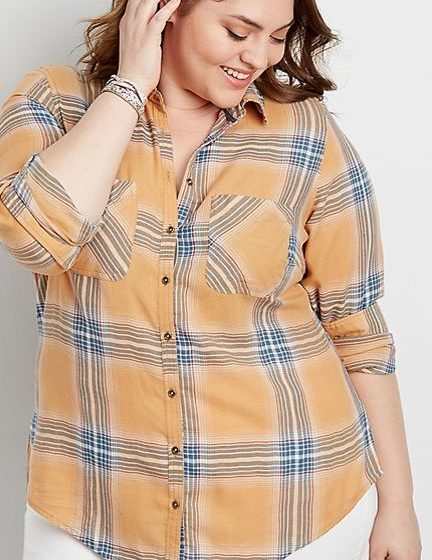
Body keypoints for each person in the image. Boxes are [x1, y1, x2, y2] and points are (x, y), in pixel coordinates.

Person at [0, 0, 422, 559]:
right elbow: (32, 239)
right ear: (165, 10)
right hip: (92, 507)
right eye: (237, 32)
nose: (258, 57)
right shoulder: (56, 102)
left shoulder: (305, 132)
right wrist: (129, 88)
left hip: (291, 506)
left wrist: (399, 504)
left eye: (277, 37)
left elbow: (357, 329)